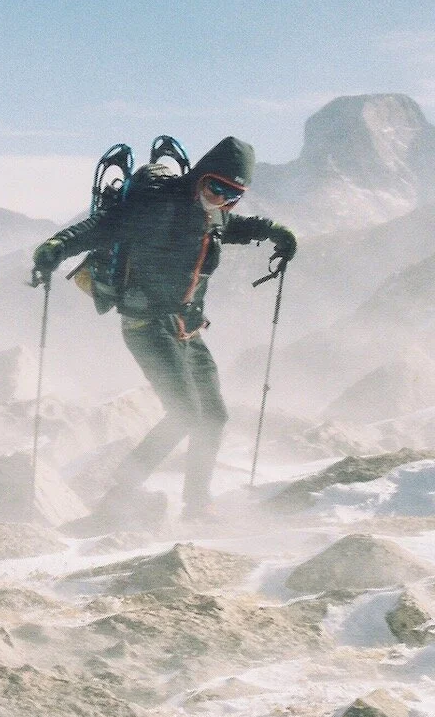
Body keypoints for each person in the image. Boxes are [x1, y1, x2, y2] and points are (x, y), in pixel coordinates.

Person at [31, 135, 294, 522]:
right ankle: (118, 496)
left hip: (187, 328)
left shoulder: (211, 212)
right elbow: (102, 227)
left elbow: (230, 226)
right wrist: (56, 246)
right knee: (186, 413)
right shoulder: (156, 206)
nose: (220, 198)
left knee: (214, 416)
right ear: (201, 176)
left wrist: (276, 232)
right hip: (145, 325)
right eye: (215, 186)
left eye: (232, 193)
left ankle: (197, 505)